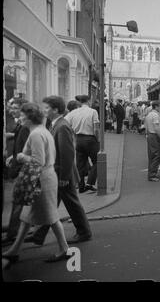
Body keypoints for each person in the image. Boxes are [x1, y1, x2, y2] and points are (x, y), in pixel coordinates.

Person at [2, 103, 70, 263]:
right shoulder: (41, 131)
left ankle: (64, 249)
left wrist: (21, 157)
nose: (20, 117)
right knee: (27, 217)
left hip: (41, 179)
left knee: (51, 216)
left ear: (30, 117)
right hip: (45, 177)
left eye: (22, 115)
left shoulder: (36, 135)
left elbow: (39, 161)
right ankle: (15, 250)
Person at [24, 96, 92, 246]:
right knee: (50, 204)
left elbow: (67, 154)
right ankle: (39, 235)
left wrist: (65, 177)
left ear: (55, 110)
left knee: (72, 204)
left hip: (62, 174)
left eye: (47, 108)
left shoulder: (62, 126)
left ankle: (84, 232)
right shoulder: (55, 124)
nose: (44, 110)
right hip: (58, 173)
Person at [2, 98, 30, 247]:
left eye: (13, 107)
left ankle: (13, 235)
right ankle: (16, 234)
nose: (10, 109)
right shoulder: (21, 124)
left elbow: (26, 148)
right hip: (19, 168)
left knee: (18, 203)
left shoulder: (25, 126)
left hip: (22, 170)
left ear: (22, 109)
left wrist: (17, 160)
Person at [65, 94, 100, 193]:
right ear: (88, 101)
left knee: (80, 164)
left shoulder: (74, 112)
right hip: (90, 139)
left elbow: (65, 122)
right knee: (98, 161)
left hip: (79, 140)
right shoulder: (93, 111)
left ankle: (81, 187)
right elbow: (96, 128)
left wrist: (73, 132)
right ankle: (90, 183)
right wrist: (98, 140)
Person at [144, 101, 160, 182]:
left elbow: (146, 126)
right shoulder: (155, 115)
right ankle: (152, 175)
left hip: (149, 135)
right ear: (156, 106)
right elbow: (156, 128)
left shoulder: (149, 114)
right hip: (154, 135)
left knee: (151, 155)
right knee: (156, 155)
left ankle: (151, 173)